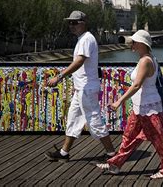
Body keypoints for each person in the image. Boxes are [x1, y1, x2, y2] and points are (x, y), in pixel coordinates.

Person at [96, 30, 163, 178]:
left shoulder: (145, 61)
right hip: (140, 107)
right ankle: (115, 164)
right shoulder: (148, 58)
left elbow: (137, 85)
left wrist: (119, 101)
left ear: (141, 44)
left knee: (159, 139)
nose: (131, 44)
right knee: (129, 137)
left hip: (150, 107)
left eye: (134, 42)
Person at [45, 10, 115, 162]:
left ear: (83, 23)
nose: (71, 25)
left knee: (94, 121)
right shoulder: (82, 39)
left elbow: (79, 62)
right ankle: (64, 153)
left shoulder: (86, 39)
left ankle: (112, 154)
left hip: (86, 89)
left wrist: (60, 76)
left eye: (75, 22)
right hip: (81, 89)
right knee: (73, 119)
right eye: (70, 22)